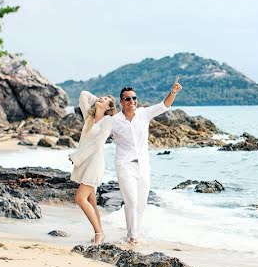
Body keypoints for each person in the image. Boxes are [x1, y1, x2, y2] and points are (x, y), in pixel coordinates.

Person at [112, 80, 182, 243]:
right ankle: (132, 236)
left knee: (141, 203)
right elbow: (99, 137)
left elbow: (164, 106)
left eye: (134, 98)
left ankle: (135, 232)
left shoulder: (144, 113)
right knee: (131, 200)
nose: (132, 101)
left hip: (143, 165)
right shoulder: (114, 121)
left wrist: (173, 92)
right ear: (121, 102)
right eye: (128, 99)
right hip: (124, 165)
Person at [68, 91, 118, 244]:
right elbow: (83, 94)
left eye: (105, 100)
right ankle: (100, 232)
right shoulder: (89, 118)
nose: (101, 99)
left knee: (80, 198)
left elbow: (98, 144)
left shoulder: (108, 120)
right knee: (92, 201)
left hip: (94, 164)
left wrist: (76, 157)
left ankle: (98, 234)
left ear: (109, 108)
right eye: (101, 97)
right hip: (85, 162)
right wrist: (100, 102)